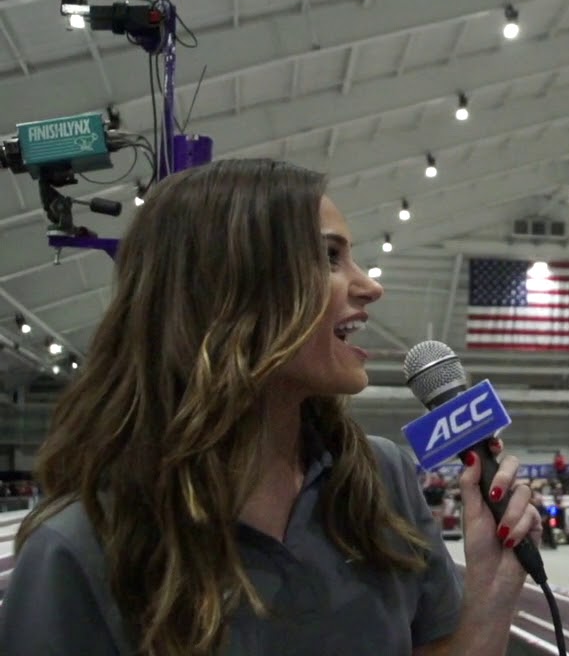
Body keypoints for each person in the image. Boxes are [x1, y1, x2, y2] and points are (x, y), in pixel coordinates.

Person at [0, 160, 540, 656]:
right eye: (329, 257)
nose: (370, 286)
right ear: (227, 286)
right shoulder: (78, 549)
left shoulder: (381, 481)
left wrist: (493, 587)